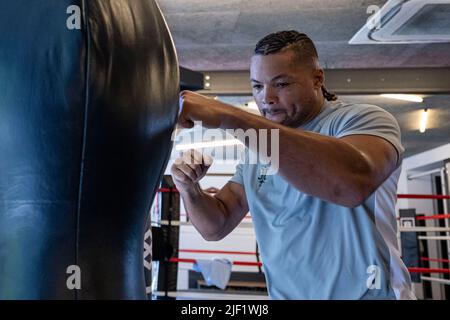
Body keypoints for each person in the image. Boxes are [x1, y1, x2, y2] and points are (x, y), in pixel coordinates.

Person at [171, 30, 415, 299]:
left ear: (317, 78)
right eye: (257, 86)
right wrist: (189, 188)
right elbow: (216, 226)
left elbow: (350, 186)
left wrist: (231, 117)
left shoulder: (362, 120)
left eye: (282, 84)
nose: (267, 97)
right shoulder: (258, 148)